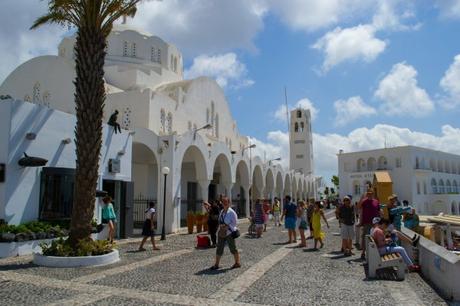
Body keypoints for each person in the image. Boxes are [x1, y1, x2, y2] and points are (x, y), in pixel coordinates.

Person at [210, 197, 240, 270]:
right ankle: (216, 264)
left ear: (229, 203)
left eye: (226, 202)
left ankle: (237, 263)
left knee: (233, 248)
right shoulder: (222, 211)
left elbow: (235, 222)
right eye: (223, 202)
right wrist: (221, 225)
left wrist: (228, 226)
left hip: (229, 233)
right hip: (222, 233)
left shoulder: (232, 212)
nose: (224, 203)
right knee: (219, 248)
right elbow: (220, 220)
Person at [358, 189, 380, 259]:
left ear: (373, 194)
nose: (370, 195)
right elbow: (358, 207)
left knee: (375, 238)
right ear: (367, 194)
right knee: (366, 237)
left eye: (371, 193)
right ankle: (363, 252)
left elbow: (378, 211)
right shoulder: (364, 201)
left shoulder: (376, 202)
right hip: (367, 223)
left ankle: (374, 253)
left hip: (375, 223)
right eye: (368, 193)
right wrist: (362, 197)